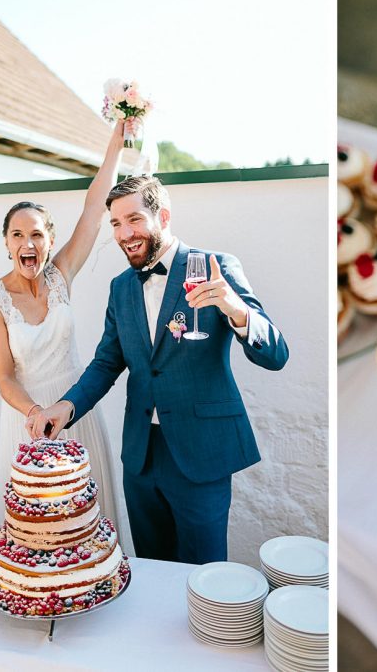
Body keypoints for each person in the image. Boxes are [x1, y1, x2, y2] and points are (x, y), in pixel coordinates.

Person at [27, 175, 288, 565]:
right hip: (141, 457)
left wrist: (236, 309)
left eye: (134, 220)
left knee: (205, 571)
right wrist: (66, 407)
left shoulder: (217, 268)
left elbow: (276, 355)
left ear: (162, 216)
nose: (124, 234)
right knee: (152, 567)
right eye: (116, 224)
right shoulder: (120, 288)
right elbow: (106, 363)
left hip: (202, 451)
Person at [0, 119, 136, 534]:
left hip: (76, 410)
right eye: (17, 235)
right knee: (43, 535)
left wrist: (116, 143)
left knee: (92, 526)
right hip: (28, 420)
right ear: (6, 242)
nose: (27, 244)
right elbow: (4, 377)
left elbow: (95, 207)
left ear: (50, 239)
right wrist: (36, 412)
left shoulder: (61, 275)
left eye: (36, 235)